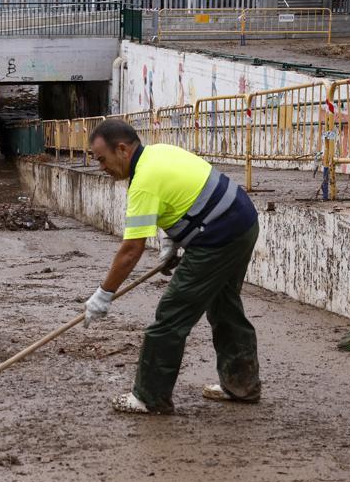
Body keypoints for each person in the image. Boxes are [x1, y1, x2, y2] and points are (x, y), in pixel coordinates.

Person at [83, 119, 262, 414]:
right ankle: (242, 385)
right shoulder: (158, 153)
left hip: (219, 235)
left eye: (102, 159)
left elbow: (131, 250)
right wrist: (175, 240)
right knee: (224, 306)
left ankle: (149, 397)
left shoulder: (143, 181)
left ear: (123, 149)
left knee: (171, 316)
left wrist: (104, 294)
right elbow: (184, 195)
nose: (101, 166)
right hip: (241, 221)